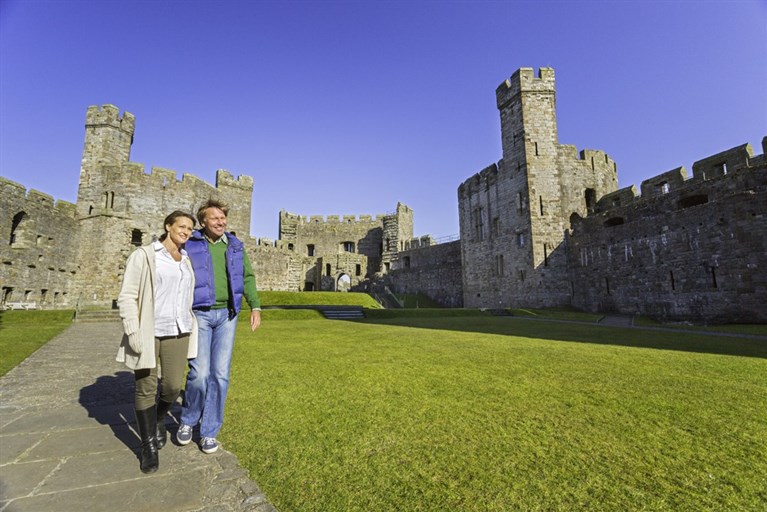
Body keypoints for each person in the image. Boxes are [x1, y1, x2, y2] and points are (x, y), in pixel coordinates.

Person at [116, 210, 198, 473]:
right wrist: (132, 330)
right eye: (182, 226)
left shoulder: (185, 259)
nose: (186, 232)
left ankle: (158, 420)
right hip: (149, 330)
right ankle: (148, 445)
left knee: (173, 387)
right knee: (145, 388)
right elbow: (127, 295)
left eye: (190, 229)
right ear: (168, 226)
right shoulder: (145, 255)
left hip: (179, 330)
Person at [177, 199, 261, 454]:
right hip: (200, 313)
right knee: (199, 374)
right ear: (203, 221)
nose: (221, 222)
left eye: (223, 218)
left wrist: (255, 306)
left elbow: (246, 276)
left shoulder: (235, 246)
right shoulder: (190, 244)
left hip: (228, 315)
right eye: (215, 218)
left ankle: (209, 431)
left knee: (220, 375)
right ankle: (189, 419)